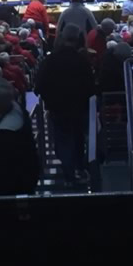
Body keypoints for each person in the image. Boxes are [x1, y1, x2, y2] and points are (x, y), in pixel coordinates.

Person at [35, 30, 97, 174]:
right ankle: (79, 167)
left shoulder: (50, 60)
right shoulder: (82, 60)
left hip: (57, 108)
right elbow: (91, 85)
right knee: (78, 137)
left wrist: (48, 98)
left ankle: (68, 171)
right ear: (77, 41)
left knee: (62, 139)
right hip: (79, 107)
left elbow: (39, 86)